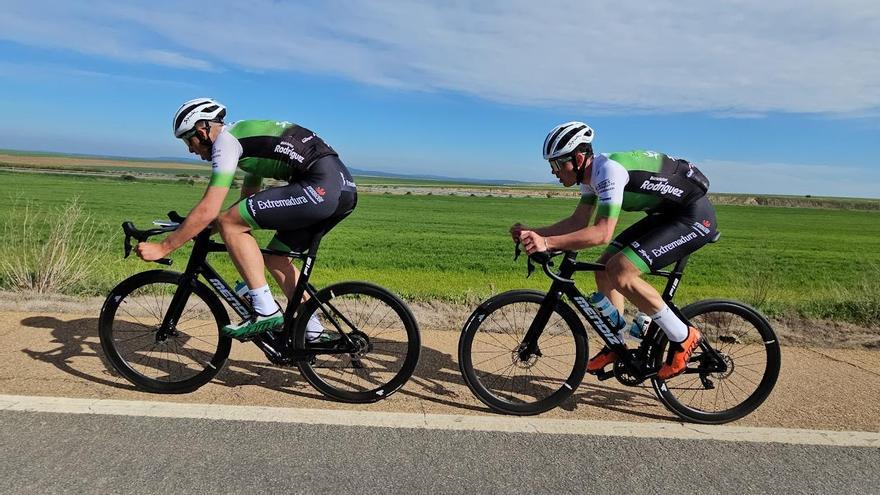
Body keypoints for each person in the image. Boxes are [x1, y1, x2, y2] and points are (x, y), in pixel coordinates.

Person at [136, 98, 357, 340]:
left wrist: (164, 247)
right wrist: (197, 228)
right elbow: (247, 205)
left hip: (321, 187)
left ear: (202, 132)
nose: (190, 149)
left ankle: (265, 310)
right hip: (342, 189)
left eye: (189, 141)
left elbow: (213, 209)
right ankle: (312, 330)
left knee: (229, 222)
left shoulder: (226, 142)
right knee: (276, 258)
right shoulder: (246, 143)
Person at [511, 121, 716, 380]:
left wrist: (548, 243)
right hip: (666, 215)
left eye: (557, 164)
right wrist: (536, 233)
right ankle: (616, 344)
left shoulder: (608, 171)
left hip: (693, 217)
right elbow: (578, 223)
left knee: (621, 271)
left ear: (579, 157)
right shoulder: (589, 177)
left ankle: (684, 336)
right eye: (551, 165)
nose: (554, 171)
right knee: (604, 269)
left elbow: (602, 233)